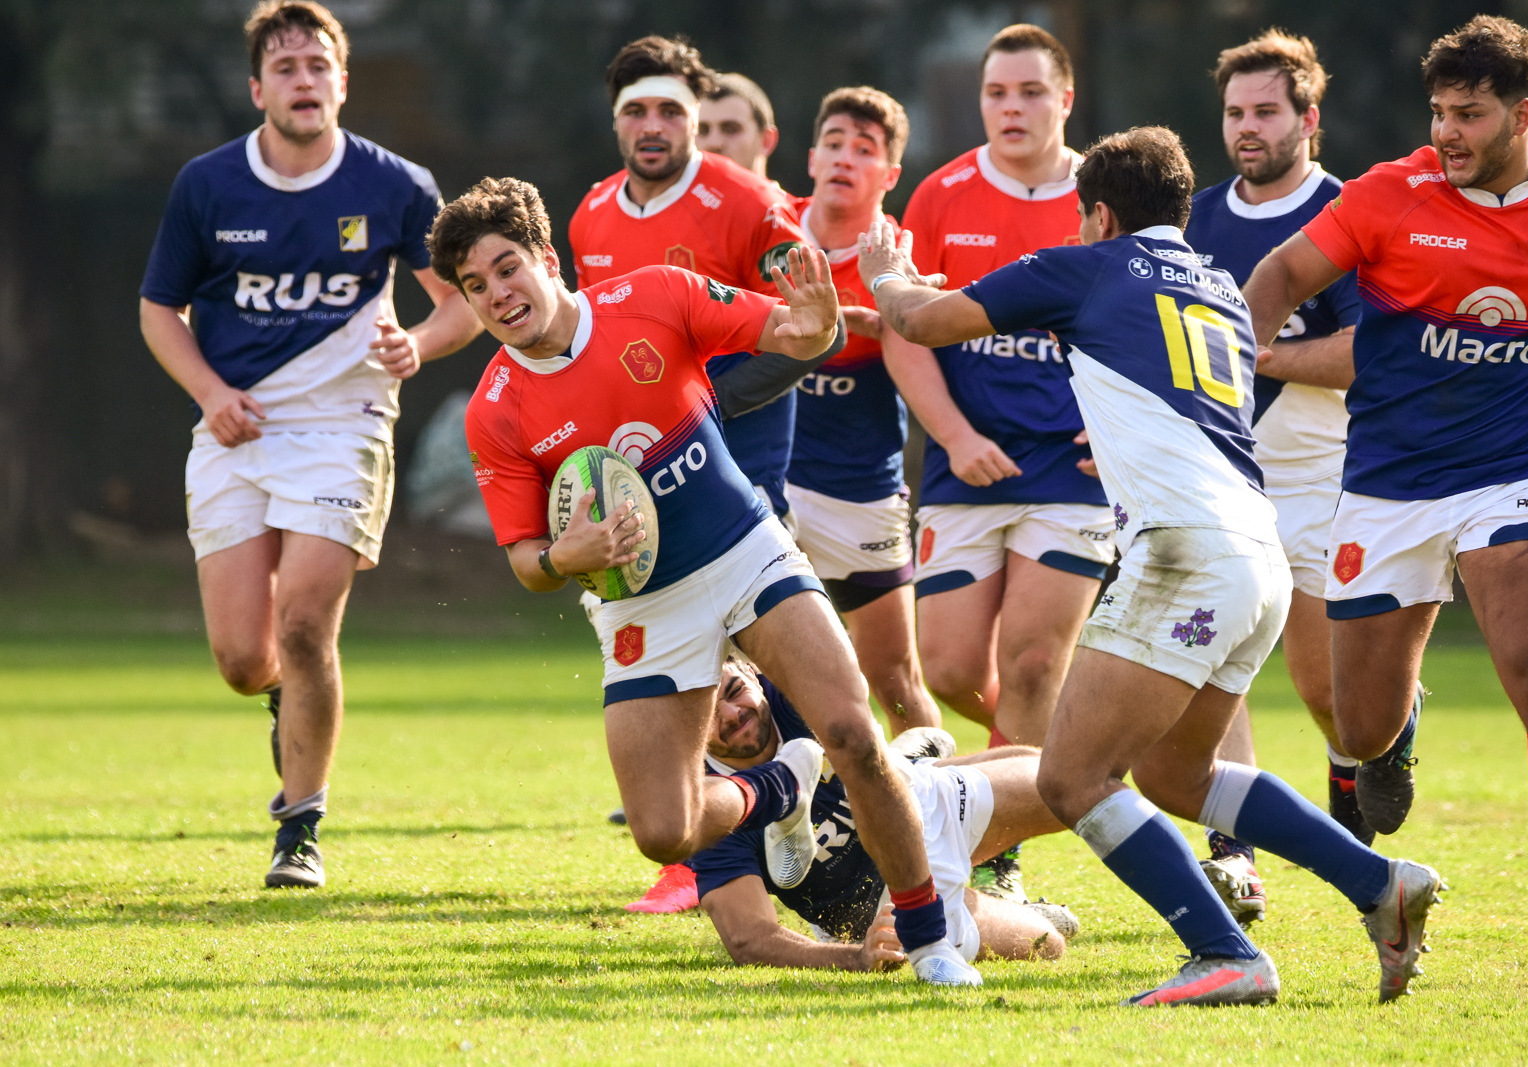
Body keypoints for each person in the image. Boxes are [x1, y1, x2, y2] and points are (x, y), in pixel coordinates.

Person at [862, 126, 1442, 1006]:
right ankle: (1378, 882)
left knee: (1069, 776)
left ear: (1097, 213)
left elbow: (921, 321)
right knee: (1179, 777)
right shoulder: (1213, 284)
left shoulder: (1089, 265)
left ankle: (1227, 951)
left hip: (1185, 551)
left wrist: (884, 272)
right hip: (1258, 550)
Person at [431, 177, 979, 986]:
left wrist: (816, 323)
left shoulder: (653, 293)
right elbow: (524, 561)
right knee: (663, 830)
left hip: (743, 546)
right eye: (475, 287)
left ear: (548, 258)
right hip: (644, 602)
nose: (497, 295)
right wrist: (566, 553)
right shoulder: (496, 411)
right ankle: (778, 788)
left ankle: (932, 942)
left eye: (507, 268)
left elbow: (790, 332)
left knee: (854, 732)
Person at [1243, 15, 1528, 985]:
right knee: (1355, 733)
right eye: (1438, 111)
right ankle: (1392, 732)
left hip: (1514, 473)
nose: (1446, 131)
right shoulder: (1387, 195)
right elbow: (1278, 275)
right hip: (1387, 488)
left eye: (1469, 114)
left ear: (1523, 113)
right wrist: (1228, 377)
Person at [136, 1, 481, 889]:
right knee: (244, 659)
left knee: (304, 623)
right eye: (285, 68)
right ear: (258, 89)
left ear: (342, 81)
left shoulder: (397, 184)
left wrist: (422, 343)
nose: (303, 81)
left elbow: (461, 299)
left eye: (317, 65)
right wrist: (210, 394)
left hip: (343, 426)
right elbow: (156, 312)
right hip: (237, 428)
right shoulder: (208, 185)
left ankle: (300, 826)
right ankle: (288, 700)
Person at [888, 21, 1115, 903]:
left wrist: (1121, 433)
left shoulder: (1105, 195)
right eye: (996, 93)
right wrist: (952, 436)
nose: (1011, 108)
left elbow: (1148, 315)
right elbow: (908, 331)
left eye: (1029, 92)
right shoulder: (941, 196)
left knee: (1028, 662)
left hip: (1073, 472)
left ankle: (1000, 862)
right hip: (965, 465)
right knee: (945, 668)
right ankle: (1063, 761)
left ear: (1065, 99)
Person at [1179, 30, 1367, 925]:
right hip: (1218, 473)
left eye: (1265, 112)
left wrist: (1260, 353)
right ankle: (1235, 853)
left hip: (1327, 471)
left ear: (1308, 119)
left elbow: (1371, 354)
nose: (1247, 128)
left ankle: (1358, 774)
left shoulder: (1350, 211)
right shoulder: (1198, 217)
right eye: (1234, 113)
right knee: (1219, 659)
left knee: (1329, 689)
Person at [689, 658, 1078, 971]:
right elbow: (749, 937)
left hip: (919, 802)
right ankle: (908, 762)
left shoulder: (793, 687)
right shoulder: (708, 802)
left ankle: (905, 764)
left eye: (734, 692)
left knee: (1061, 783)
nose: (731, 715)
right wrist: (857, 955)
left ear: (751, 673)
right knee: (1048, 942)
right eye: (706, 714)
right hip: (881, 907)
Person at [569, 38, 811, 529]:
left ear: (695, 119)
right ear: (615, 120)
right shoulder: (589, 214)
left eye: (671, 111)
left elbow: (818, 333)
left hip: (741, 475)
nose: (653, 126)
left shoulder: (751, 202)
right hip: (636, 482)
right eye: (635, 110)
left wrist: (702, 407)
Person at [785, 87, 943, 738]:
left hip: (860, 490)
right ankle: (749, 818)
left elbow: (937, 346)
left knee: (897, 683)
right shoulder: (768, 232)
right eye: (834, 143)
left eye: (865, 149)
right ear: (812, 158)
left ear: (890, 175)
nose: (846, 158)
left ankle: (940, 815)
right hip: (769, 483)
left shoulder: (898, 260)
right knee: (750, 664)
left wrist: (894, 316)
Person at [697, 73, 781, 182]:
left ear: (767, 140)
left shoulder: (785, 200)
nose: (714, 143)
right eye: (702, 130)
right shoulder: (670, 198)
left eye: (730, 130)